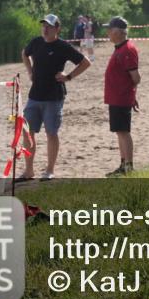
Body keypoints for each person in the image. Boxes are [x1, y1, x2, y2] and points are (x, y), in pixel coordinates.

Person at [21, 14, 91, 180]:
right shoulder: (36, 42)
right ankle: (29, 170)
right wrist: (30, 71)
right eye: (44, 26)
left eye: (49, 26)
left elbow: (85, 62)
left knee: (51, 133)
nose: (45, 29)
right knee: (27, 132)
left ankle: (50, 170)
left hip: (54, 97)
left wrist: (69, 76)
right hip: (34, 96)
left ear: (57, 29)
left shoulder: (63, 46)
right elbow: (25, 53)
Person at [103, 16, 140, 177]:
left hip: (121, 97)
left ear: (118, 31)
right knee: (119, 131)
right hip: (116, 97)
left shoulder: (127, 50)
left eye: (110, 29)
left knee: (123, 131)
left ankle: (129, 166)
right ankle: (123, 163)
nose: (108, 32)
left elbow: (136, 77)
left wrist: (131, 95)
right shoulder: (120, 48)